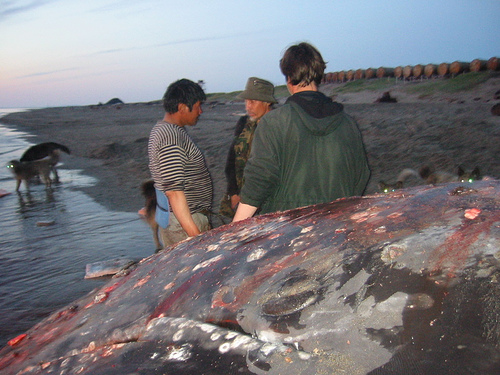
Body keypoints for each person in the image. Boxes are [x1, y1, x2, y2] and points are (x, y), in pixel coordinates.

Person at [233, 42, 370, 222]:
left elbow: (259, 181)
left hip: (286, 229)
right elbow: (361, 177)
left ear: (289, 77)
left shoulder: (274, 122)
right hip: (335, 226)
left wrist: (235, 228)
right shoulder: (348, 124)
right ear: (318, 75)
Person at [148, 78, 213, 246]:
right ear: (182, 108)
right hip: (184, 224)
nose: (200, 111)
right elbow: (174, 192)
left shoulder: (164, 130)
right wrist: (197, 238)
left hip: (177, 220)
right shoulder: (170, 136)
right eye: (198, 106)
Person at [220, 77, 277, 218]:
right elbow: (231, 160)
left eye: (252, 101)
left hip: (271, 200)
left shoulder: (278, 125)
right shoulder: (243, 123)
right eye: (246, 101)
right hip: (243, 196)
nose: (247, 107)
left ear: (267, 101)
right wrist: (233, 192)